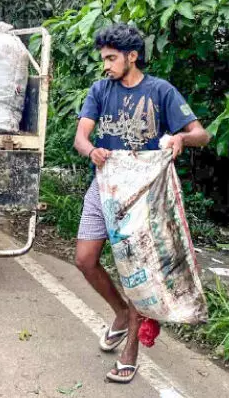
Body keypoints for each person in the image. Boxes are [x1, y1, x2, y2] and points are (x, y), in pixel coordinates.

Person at [72, 23, 210, 383]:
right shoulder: (101, 89)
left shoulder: (160, 91)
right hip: (104, 186)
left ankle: (130, 351)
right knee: (85, 259)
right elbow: (80, 137)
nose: (105, 65)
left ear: (132, 56)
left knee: (136, 272)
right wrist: (92, 151)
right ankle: (119, 312)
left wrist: (181, 138)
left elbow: (202, 134)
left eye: (111, 58)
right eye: (103, 58)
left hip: (144, 196)